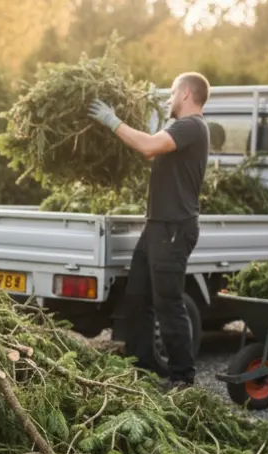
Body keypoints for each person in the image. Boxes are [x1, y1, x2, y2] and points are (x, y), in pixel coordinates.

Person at [88, 72, 211, 386]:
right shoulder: (181, 128)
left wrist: (112, 121)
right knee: (137, 296)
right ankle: (144, 366)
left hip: (174, 228)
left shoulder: (192, 126)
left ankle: (183, 378)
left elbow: (148, 146)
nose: (169, 99)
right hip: (157, 226)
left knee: (168, 302)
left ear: (185, 93)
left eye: (172, 93)